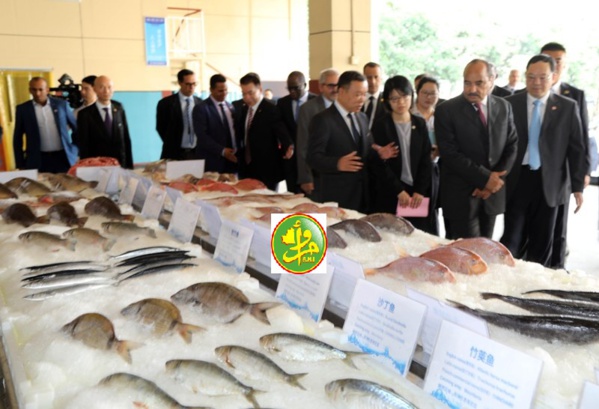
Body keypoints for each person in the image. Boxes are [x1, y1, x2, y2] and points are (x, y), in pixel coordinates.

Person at [500, 54, 586, 268]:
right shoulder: (510, 104)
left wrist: (577, 187)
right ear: (525, 76)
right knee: (512, 238)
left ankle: (535, 288)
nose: (536, 82)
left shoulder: (567, 106)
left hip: (551, 183)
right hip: (518, 179)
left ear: (553, 76)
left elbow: (576, 148)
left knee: (543, 240)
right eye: (531, 77)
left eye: (542, 77)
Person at [435, 59, 518, 239]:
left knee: (486, 252)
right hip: (461, 197)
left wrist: (493, 182)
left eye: (479, 83)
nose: (472, 89)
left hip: (492, 196)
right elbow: (450, 154)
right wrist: (485, 179)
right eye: (467, 83)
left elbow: (511, 145)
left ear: (492, 79)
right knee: (463, 256)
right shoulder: (446, 110)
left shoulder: (504, 107)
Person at [540, 42, 591, 268]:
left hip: (562, 170)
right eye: (547, 58)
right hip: (534, 168)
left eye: (557, 60)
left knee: (559, 223)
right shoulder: (529, 92)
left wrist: (582, 174)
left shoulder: (575, 95)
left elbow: (581, 137)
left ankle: (557, 267)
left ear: (564, 63)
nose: (553, 63)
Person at [370, 76, 433, 233]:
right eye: (394, 98)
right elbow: (379, 163)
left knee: (418, 235)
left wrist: (420, 190)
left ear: (411, 96)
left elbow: (426, 159)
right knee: (392, 235)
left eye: (405, 96)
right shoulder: (381, 124)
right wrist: (398, 190)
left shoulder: (419, 123)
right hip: (392, 192)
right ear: (387, 101)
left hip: (417, 193)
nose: (401, 102)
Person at [307, 70, 370, 213]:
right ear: (341, 91)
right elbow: (313, 158)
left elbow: (365, 150)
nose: (362, 99)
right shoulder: (323, 120)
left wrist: (379, 151)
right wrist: (337, 163)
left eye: (364, 94)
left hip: (363, 196)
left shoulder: (362, 118)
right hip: (337, 196)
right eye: (357, 94)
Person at [236, 72, 293, 190]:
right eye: (244, 93)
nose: (247, 97)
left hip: (267, 170)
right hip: (247, 169)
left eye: (250, 93)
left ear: (260, 88)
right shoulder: (243, 109)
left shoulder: (271, 109)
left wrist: (288, 145)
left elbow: (281, 130)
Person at [13, 77, 78, 173]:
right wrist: (20, 163)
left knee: (66, 187)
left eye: (40, 89)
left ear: (47, 89)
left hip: (63, 158)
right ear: (30, 90)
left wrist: (74, 149)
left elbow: (76, 129)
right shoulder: (23, 109)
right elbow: (17, 138)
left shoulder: (61, 105)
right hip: (38, 160)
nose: (37, 93)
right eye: (34, 90)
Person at [296, 68, 339, 200]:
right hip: (316, 176)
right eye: (331, 85)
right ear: (321, 87)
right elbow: (303, 144)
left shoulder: (344, 106)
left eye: (338, 85)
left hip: (339, 175)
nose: (335, 89)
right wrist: (305, 178)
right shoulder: (308, 109)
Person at [76, 75, 133, 168]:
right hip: (97, 166)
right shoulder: (85, 114)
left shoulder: (119, 108)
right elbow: (84, 145)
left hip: (119, 165)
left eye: (109, 87)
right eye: (102, 87)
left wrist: (129, 168)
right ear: (95, 89)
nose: (106, 91)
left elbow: (126, 139)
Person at [411, 76, 442, 235]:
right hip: (412, 172)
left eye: (433, 93)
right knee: (414, 215)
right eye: (425, 93)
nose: (429, 97)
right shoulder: (408, 114)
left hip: (434, 169)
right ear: (417, 93)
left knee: (431, 214)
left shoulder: (441, 115)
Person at [277, 71, 316, 193]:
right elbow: (280, 126)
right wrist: (289, 144)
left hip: (310, 160)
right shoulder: (282, 103)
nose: (292, 91)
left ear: (305, 85)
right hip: (291, 161)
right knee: (293, 199)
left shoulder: (316, 102)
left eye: (296, 88)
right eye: (289, 88)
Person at [193, 74, 238, 174]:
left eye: (226, 90)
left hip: (232, 161)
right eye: (220, 91)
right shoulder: (201, 108)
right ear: (211, 90)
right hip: (212, 161)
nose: (224, 93)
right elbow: (202, 136)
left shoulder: (230, 107)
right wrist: (222, 151)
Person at [156, 69, 203, 160]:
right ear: (180, 83)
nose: (192, 87)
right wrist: (172, 143)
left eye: (194, 84)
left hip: (197, 153)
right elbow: (161, 127)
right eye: (188, 84)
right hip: (174, 153)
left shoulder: (201, 103)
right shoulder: (166, 103)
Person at [362, 62, 386, 130]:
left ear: (381, 78)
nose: (372, 81)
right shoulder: (356, 99)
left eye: (376, 77)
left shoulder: (387, 101)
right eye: (369, 77)